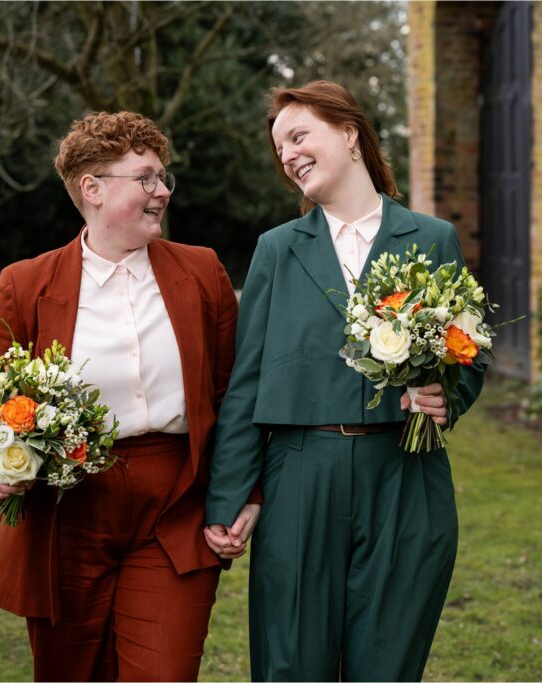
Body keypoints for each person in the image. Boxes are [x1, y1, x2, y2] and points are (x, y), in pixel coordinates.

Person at [203, 80, 485, 681]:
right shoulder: (277, 251)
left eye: (299, 135)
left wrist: (446, 393)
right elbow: (244, 384)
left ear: (350, 133)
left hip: (406, 474)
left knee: (386, 665)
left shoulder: (433, 239)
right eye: (280, 148)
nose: (288, 154)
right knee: (292, 666)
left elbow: (468, 352)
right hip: (301, 476)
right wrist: (232, 496)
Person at [0, 111, 258, 681]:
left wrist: (241, 496)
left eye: (163, 179)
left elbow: (233, 397)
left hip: (174, 505)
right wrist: (0, 465)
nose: (162, 192)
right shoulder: (26, 285)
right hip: (68, 511)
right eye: (147, 178)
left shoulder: (202, 273)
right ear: (93, 188)